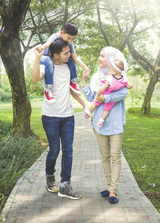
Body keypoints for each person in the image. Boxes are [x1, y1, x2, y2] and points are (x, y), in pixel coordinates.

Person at [32, 38, 87, 200]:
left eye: (69, 52)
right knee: (54, 150)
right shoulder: (46, 65)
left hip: (68, 117)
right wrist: (37, 57)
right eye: (65, 53)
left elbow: (72, 90)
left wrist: (85, 105)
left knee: (68, 151)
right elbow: (35, 78)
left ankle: (65, 185)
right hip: (50, 116)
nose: (69, 55)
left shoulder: (68, 67)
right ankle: (50, 177)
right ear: (55, 55)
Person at [82, 46, 130, 204]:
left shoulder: (120, 77)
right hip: (99, 124)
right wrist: (84, 80)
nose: (100, 58)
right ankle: (110, 187)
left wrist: (105, 98)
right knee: (105, 157)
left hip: (116, 124)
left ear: (111, 60)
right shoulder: (96, 77)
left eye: (103, 56)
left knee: (115, 158)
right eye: (99, 55)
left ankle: (113, 190)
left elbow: (123, 93)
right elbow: (90, 96)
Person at [36, 22, 90, 103]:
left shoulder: (69, 43)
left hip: (56, 58)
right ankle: (48, 90)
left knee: (70, 58)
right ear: (62, 33)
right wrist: (41, 48)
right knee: (49, 63)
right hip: (46, 57)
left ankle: (73, 82)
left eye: (72, 39)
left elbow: (75, 57)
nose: (70, 41)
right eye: (68, 38)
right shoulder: (55, 36)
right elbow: (48, 43)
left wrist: (85, 67)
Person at [85, 58, 133, 127]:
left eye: (110, 69)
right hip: (112, 99)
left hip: (104, 93)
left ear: (114, 72)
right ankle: (101, 120)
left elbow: (105, 86)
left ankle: (89, 112)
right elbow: (128, 86)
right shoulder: (123, 79)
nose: (108, 71)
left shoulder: (110, 78)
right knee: (107, 109)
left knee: (96, 102)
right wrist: (131, 85)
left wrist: (99, 91)